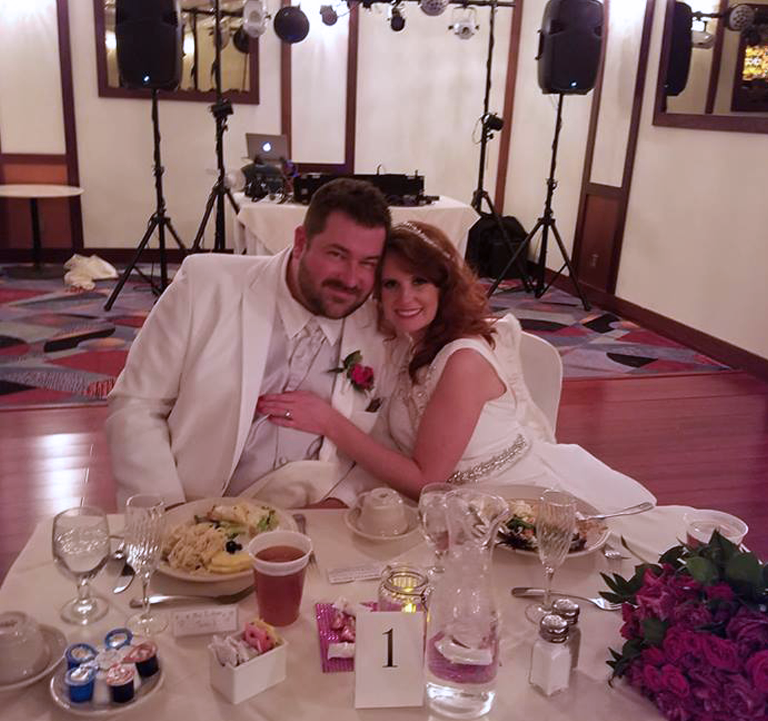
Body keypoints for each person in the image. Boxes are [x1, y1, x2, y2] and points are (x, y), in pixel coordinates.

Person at [258, 221, 655, 511]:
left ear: (444, 285)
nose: (404, 298)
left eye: (419, 282)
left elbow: (426, 480)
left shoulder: (462, 360)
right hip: (448, 503)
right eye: (390, 284)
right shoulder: (410, 344)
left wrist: (329, 422)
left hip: (509, 501)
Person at [106, 178, 392, 508]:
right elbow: (137, 406)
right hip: (198, 510)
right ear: (301, 242)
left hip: (318, 522)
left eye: (368, 263)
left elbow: (385, 442)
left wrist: (340, 502)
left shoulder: (379, 327)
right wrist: (168, 512)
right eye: (337, 254)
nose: (351, 279)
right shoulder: (206, 286)